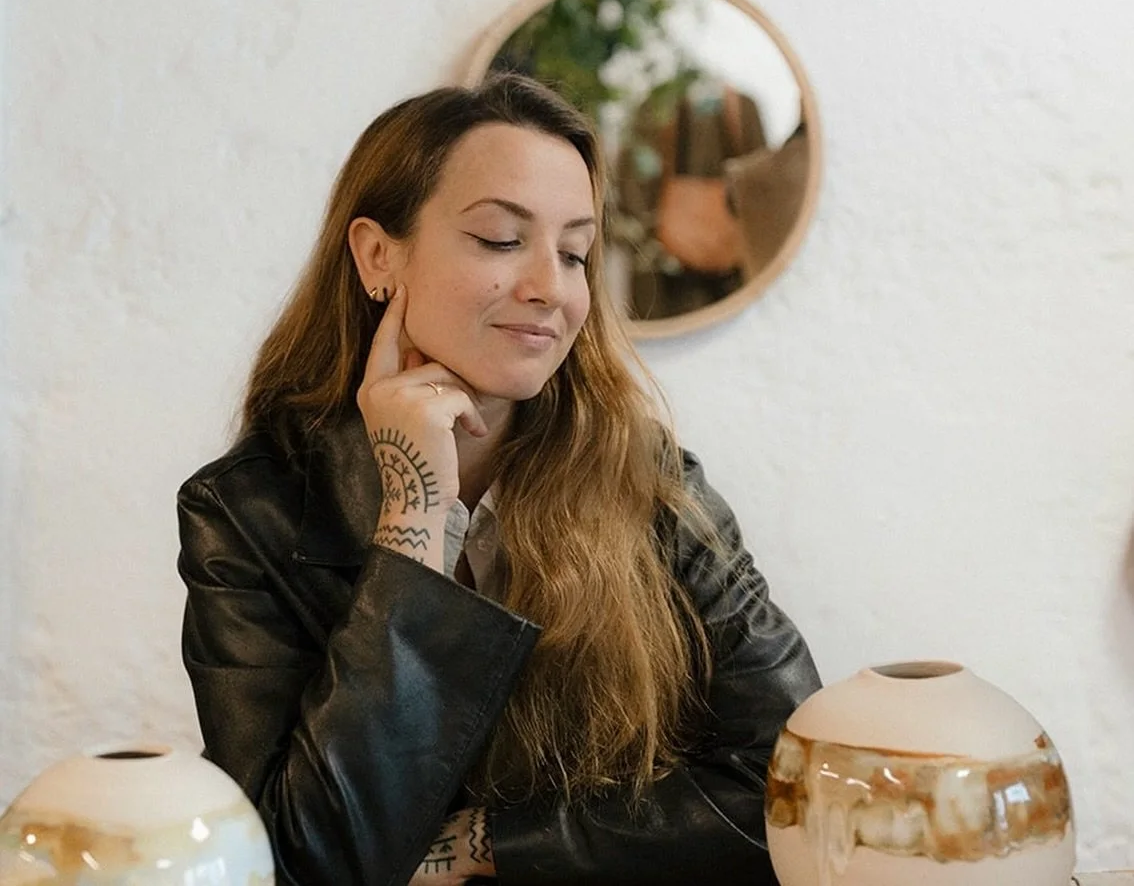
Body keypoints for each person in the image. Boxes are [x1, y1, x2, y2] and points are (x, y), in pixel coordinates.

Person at [177, 73, 820, 886]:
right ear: (379, 256)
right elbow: (299, 864)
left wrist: (491, 844)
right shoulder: (245, 514)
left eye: (577, 252)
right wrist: (415, 517)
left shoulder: (650, 483)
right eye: (500, 239)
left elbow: (801, 785)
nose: (550, 287)